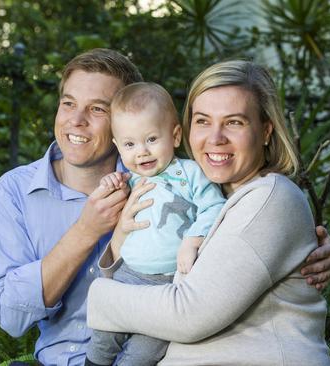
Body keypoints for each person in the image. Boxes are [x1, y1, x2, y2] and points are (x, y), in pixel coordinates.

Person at [0, 48, 330, 366]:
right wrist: (87, 230)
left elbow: (246, 215)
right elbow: (11, 318)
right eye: (68, 103)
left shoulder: (173, 176)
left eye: (98, 109)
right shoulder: (16, 191)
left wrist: (308, 246)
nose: (77, 120)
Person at [87, 61, 330, 365]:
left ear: (266, 130)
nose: (215, 138)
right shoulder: (206, 196)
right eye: (203, 121)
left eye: (234, 122)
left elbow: (188, 315)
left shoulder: (269, 198)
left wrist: (98, 296)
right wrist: (123, 232)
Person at [84, 82, 226, 366]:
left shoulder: (190, 174)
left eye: (151, 139)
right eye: (129, 144)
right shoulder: (129, 179)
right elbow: (110, 213)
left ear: (174, 136)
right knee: (103, 338)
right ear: (117, 147)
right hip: (128, 276)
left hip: (169, 284)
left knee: (144, 353)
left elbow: (215, 207)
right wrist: (110, 184)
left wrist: (193, 239)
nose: (142, 152)